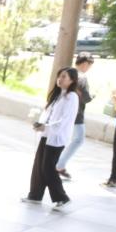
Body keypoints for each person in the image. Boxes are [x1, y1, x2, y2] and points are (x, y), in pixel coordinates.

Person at [21, 67, 79, 209]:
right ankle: (35, 195)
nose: (60, 79)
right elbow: (49, 115)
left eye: (64, 77)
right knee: (38, 165)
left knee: (47, 167)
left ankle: (62, 198)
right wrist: (40, 125)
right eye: (59, 76)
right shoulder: (58, 95)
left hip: (57, 138)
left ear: (72, 80)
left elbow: (64, 120)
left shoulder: (72, 97)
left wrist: (46, 127)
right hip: (47, 135)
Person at [56, 53, 94, 181]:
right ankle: (59, 165)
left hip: (63, 110)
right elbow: (86, 97)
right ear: (86, 63)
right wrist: (92, 96)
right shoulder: (82, 77)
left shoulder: (67, 73)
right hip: (77, 114)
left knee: (62, 136)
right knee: (78, 139)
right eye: (90, 65)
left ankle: (58, 164)